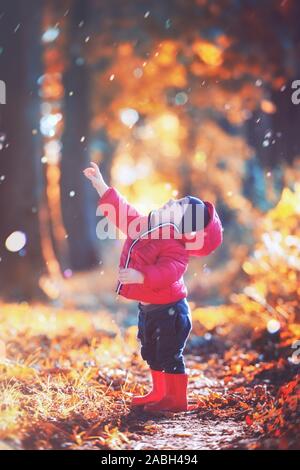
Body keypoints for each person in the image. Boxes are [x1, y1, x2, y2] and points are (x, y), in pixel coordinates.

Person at [83, 162, 223, 413]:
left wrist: (141, 275)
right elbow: (123, 215)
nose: (172, 201)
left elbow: (168, 273)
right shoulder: (150, 226)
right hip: (150, 310)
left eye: (179, 206)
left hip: (171, 312)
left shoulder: (177, 247)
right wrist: (101, 186)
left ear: (184, 226)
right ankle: (160, 392)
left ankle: (177, 399)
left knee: (169, 355)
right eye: (177, 200)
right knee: (152, 351)